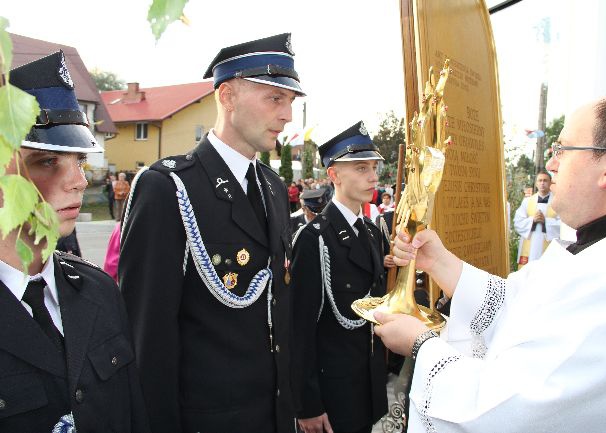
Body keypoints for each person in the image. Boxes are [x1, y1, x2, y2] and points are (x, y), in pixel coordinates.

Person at [373, 90, 606, 432]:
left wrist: (421, 344)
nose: (550, 164)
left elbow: (516, 407)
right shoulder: (603, 248)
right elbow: (518, 306)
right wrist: (441, 262)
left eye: (563, 150)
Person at [119, 33, 304, 433]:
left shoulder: (272, 187)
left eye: (291, 101)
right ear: (227, 96)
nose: (287, 114)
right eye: (275, 98)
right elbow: (148, 338)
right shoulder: (168, 188)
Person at [1, 51, 149, 433]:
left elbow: (133, 414)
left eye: (80, 161)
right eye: (48, 161)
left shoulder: (99, 290)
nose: (79, 181)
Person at [291, 121, 388, 433]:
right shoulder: (313, 238)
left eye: (373, 167)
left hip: (367, 385)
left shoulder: (372, 232)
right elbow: (299, 330)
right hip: (332, 396)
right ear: (333, 175)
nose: (373, 177)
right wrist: (307, 404)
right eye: (361, 168)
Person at [513, 170, 560, 267]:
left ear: (550, 183)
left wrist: (545, 222)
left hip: (550, 247)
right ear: (536, 183)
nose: (542, 183)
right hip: (530, 246)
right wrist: (532, 220)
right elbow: (518, 222)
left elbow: (564, 224)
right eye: (540, 180)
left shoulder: (557, 202)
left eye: (545, 181)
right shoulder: (527, 201)